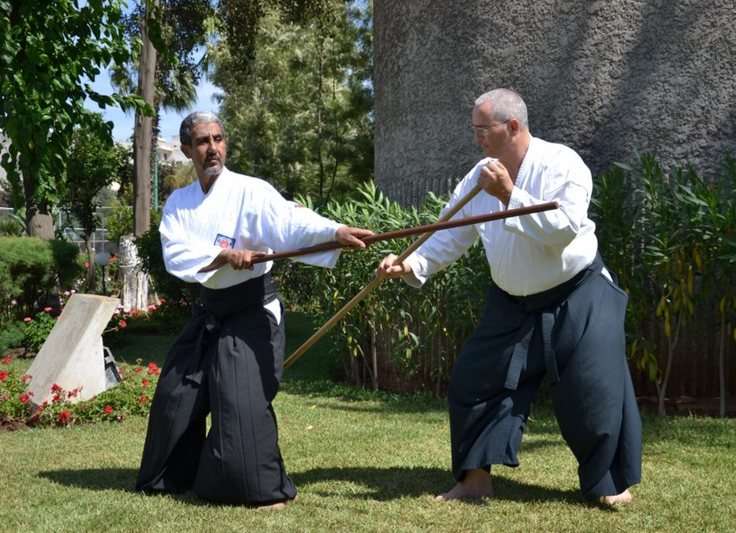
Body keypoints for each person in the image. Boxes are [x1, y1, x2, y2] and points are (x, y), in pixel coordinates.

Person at [378, 89, 642, 505]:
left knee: (594, 389)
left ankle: (609, 487)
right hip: (511, 301)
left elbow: (563, 229)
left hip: (578, 293)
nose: (477, 138)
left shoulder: (562, 164)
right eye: (474, 130)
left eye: (483, 129)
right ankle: (474, 482)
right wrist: (412, 264)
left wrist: (509, 195)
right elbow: (450, 232)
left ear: (513, 126)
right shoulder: (479, 175)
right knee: (474, 380)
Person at [135, 111, 373, 509]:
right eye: (202, 141)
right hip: (209, 311)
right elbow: (175, 253)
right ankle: (174, 478)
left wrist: (334, 233)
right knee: (175, 395)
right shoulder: (179, 203)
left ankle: (259, 488)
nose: (212, 148)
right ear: (187, 149)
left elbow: (290, 221)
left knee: (239, 403)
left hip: (251, 311)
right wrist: (223, 256)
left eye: (218, 138)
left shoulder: (251, 191)